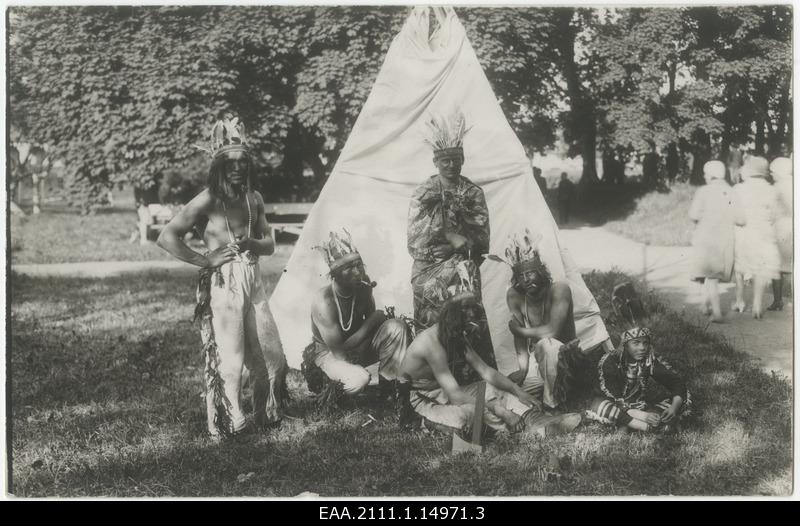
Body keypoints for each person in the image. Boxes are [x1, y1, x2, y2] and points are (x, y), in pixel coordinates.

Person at [157, 113, 287, 438]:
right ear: (218, 166)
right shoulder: (208, 199)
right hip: (222, 285)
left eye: (243, 161)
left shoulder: (253, 199)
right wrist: (205, 259)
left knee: (271, 357)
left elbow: (270, 244)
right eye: (230, 162)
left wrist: (253, 242)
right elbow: (167, 236)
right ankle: (224, 428)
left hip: (252, 280)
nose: (238, 167)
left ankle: (263, 417)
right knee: (229, 360)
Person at [398, 264, 582, 437]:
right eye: (465, 310)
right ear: (451, 314)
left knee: (494, 390)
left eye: (472, 309)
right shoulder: (431, 343)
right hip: (421, 399)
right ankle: (422, 422)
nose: (471, 315)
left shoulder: (455, 334)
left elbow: (486, 371)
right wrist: (498, 409)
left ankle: (537, 422)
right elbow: (455, 395)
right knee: (471, 414)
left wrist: (518, 391)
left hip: (444, 392)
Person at [407, 109, 490, 329]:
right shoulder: (423, 193)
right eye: (445, 160)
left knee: (466, 316)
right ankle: (430, 359)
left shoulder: (473, 193)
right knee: (432, 322)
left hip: (462, 265)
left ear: (463, 159)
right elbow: (415, 241)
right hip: (427, 268)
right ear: (436, 161)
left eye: (455, 160)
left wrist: (456, 250)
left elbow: (481, 241)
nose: (451, 165)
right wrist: (446, 238)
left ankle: (468, 361)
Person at [303, 229, 411, 396]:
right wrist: (373, 320)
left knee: (397, 327)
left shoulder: (363, 285)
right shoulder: (324, 302)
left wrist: (373, 323)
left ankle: (389, 386)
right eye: (348, 267)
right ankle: (326, 387)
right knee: (358, 379)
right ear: (335, 274)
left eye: (358, 264)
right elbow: (340, 353)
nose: (357, 272)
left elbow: (372, 326)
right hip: (330, 355)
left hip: (357, 346)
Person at [587, 327, 691, 433]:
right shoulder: (611, 362)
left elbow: (676, 382)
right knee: (599, 405)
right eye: (636, 343)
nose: (642, 348)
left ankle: (628, 423)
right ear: (625, 345)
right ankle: (642, 426)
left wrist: (673, 408)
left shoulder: (648, 361)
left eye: (645, 343)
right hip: (615, 403)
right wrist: (643, 416)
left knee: (680, 398)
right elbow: (615, 398)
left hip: (638, 405)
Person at [688, 160, 746, 322]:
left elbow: (693, 215)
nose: (704, 176)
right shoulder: (731, 192)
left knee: (710, 275)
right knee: (711, 275)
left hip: (706, 238)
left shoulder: (703, 191)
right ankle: (704, 305)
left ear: (712, 175)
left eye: (706, 173)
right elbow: (741, 219)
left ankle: (717, 312)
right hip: (726, 239)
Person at [732, 156, 780, 319]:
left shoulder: (739, 189)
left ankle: (739, 301)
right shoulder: (770, 189)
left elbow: (736, 215)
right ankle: (758, 303)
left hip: (744, 232)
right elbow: (774, 215)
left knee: (740, 268)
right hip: (764, 232)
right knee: (760, 268)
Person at [768, 157, 792, 311]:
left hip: (781, 228)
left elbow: (771, 212)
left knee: (776, 265)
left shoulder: (777, 187)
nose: (771, 174)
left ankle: (778, 300)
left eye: (772, 171)